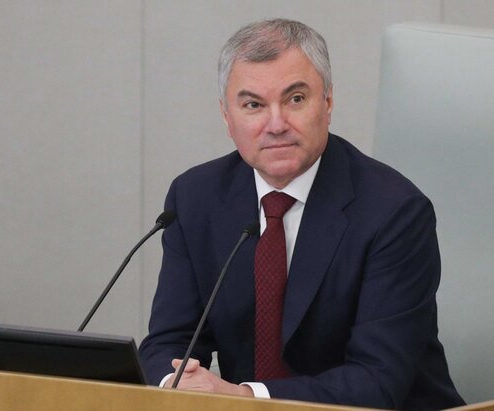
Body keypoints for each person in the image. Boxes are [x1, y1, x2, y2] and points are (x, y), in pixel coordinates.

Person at [139, 18, 465, 410]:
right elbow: (168, 342)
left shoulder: (394, 212)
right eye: (253, 105)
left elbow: (377, 382)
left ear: (327, 102)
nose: (276, 125)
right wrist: (176, 384)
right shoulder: (196, 198)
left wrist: (244, 397)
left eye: (295, 99)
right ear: (227, 117)